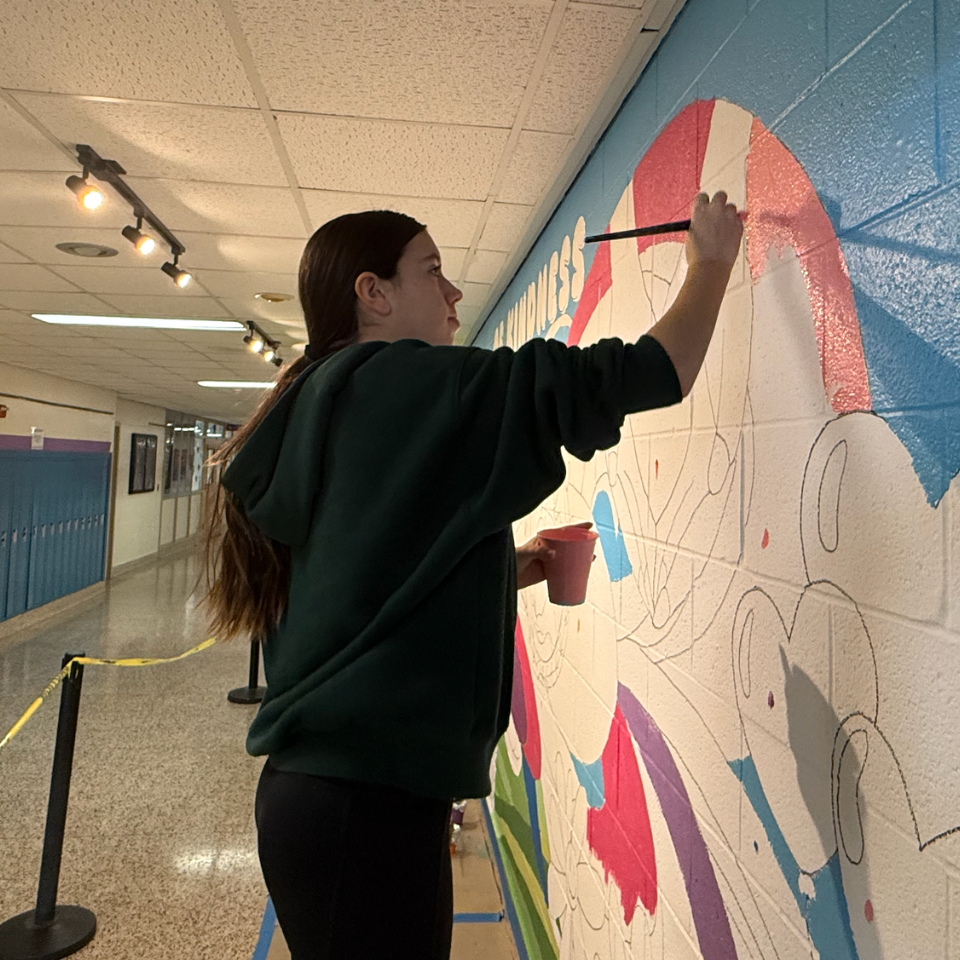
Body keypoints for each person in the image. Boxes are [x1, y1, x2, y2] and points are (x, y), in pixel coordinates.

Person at [201, 192, 743, 960]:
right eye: (433, 270)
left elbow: (369, 578)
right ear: (373, 292)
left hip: (335, 802)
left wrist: (507, 568)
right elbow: (654, 371)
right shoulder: (413, 383)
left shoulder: (320, 403)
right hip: (364, 811)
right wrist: (712, 262)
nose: (454, 293)